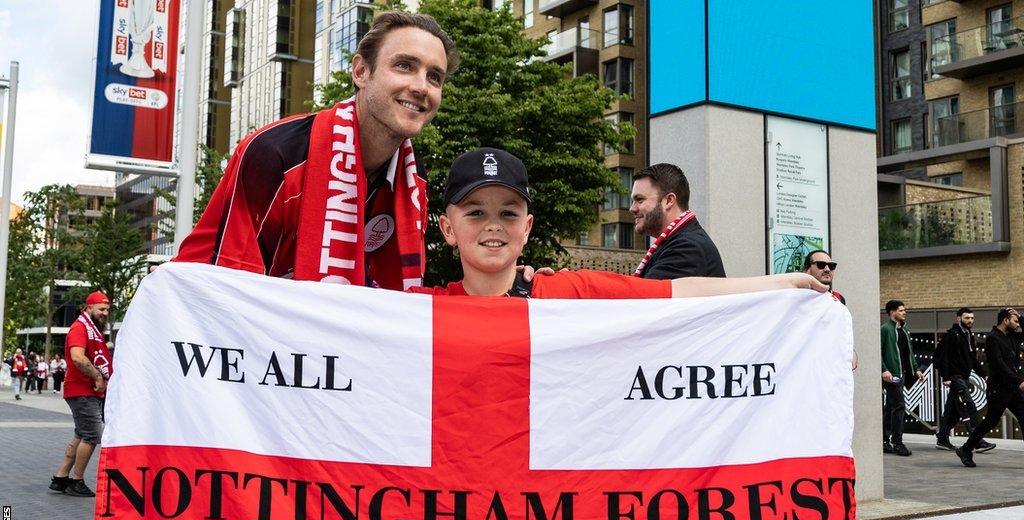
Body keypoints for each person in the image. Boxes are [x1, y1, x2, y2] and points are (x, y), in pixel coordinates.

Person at [175, 12, 458, 290]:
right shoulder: (276, 154)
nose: (422, 87)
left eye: (434, 77)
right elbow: (229, 286)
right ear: (361, 71)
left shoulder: (413, 177)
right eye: (405, 66)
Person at [411, 148, 825, 299]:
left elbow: (677, 291)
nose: (493, 225)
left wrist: (788, 284)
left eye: (508, 212)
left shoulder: (565, 291)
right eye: (475, 211)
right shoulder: (422, 311)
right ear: (447, 228)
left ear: (528, 227)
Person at [49, 292, 113, 497]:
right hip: (83, 390)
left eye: (107, 309)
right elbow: (77, 358)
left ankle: (60, 478)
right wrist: (97, 377)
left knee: (81, 434)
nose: (105, 313)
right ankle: (77, 480)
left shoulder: (89, 328)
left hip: (84, 390)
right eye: (101, 309)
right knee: (92, 435)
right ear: (88, 308)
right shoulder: (80, 327)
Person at [629, 163, 726, 280]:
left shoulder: (688, 248)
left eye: (639, 200)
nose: (632, 209)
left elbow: (645, 295)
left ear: (669, 201)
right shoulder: (678, 242)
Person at [956, 308, 1024, 468]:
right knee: (991, 422)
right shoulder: (992, 339)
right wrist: (1019, 381)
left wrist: (1020, 316)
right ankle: (966, 449)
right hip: (999, 389)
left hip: (1012, 388)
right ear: (1005, 321)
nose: (1017, 324)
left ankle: (965, 449)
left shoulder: (1013, 337)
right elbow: (998, 365)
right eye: (1015, 321)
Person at [933, 308, 995, 452]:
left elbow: (972, 359)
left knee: (952, 411)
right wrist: (946, 377)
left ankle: (942, 438)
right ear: (958, 319)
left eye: (972, 318)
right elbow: (942, 357)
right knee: (968, 406)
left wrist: (983, 374)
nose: (970, 321)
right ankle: (977, 440)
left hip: (963, 377)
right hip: (955, 377)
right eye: (967, 318)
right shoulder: (952, 335)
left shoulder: (968, 335)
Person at [880, 300, 923, 457]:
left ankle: (885, 440)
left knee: (891, 407)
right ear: (892, 312)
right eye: (901, 310)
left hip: (902, 373)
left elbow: (909, 352)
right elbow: (877, 351)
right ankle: (898, 443)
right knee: (899, 406)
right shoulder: (885, 329)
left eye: (904, 310)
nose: (904, 313)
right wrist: (884, 370)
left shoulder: (904, 330)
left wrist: (916, 369)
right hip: (891, 375)